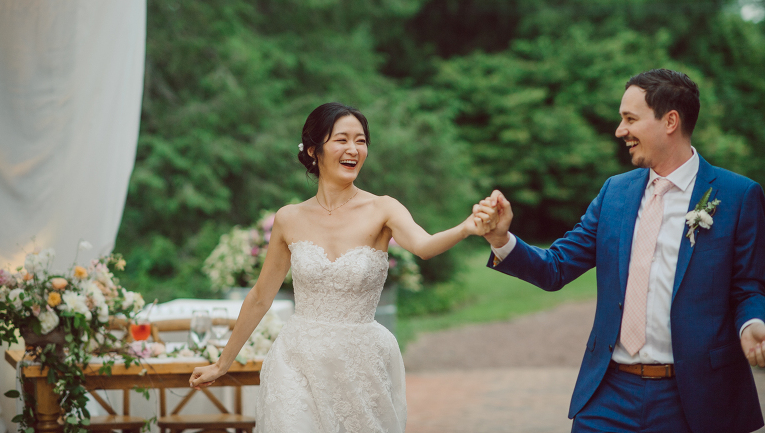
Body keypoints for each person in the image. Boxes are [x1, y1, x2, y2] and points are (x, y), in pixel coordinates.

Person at [476, 69, 765, 433]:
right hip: (608, 395)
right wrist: (502, 239)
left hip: (694, 399)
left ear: (670, 121)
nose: (620, 130)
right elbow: (556, 267)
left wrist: (753, 323)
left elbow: (749, 287)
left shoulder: (738, 196)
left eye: (630, 119)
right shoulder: (615, 192)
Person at [188, 102, 492, 432]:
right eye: (342, 139)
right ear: (314, 150)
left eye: (361, 141)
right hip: (296, 361)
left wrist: (466, 228)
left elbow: (424, 246)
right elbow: (261, 296)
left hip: (360, 363)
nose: (353, 149)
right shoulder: (289, 218)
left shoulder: (383, 209)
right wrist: (222, 362)